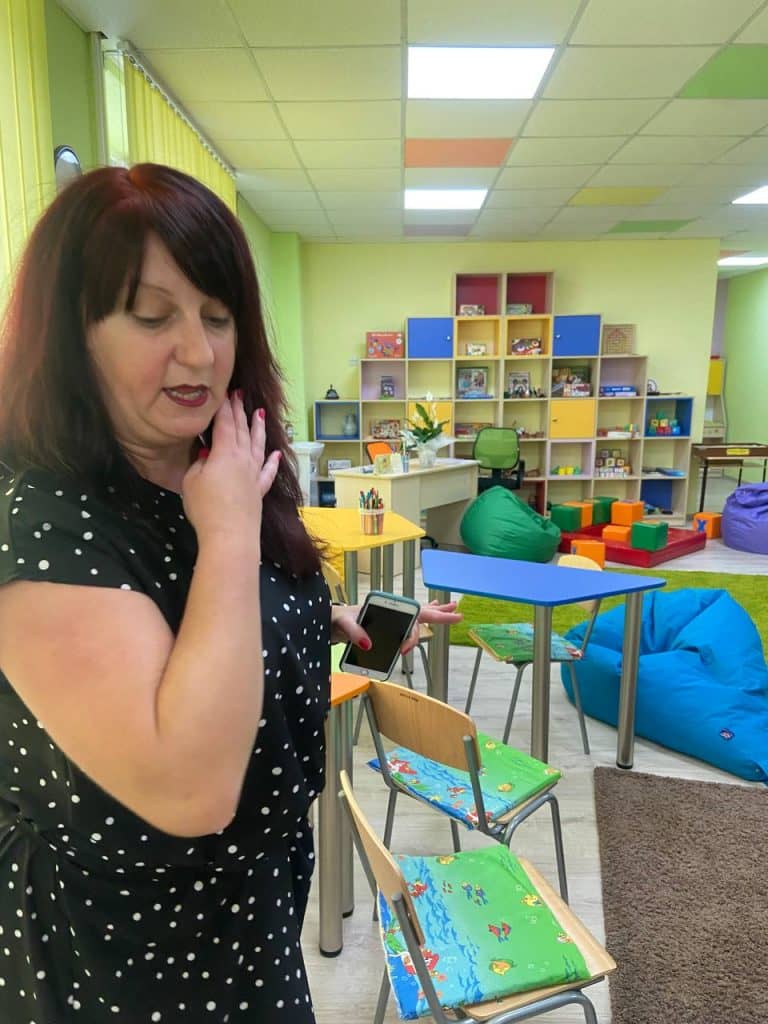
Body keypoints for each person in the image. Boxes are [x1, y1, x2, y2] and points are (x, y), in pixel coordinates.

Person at [0, 163, 460, 1023]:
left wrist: (323, 618)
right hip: (123, 950)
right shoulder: (42, 523)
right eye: (152, 316)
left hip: (251, 908)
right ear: (71, 334)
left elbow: (212, 625)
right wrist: (229, 531)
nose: (200, 352)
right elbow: (189, 789)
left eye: (217, 316)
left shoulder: (222, 455)